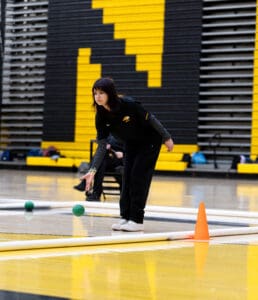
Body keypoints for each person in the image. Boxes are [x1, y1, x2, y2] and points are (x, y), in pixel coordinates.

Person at [80, 77, 174, 232]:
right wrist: (92, 171)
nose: (98, 96)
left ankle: (137, 220)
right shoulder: (100, 116)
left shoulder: (128, 104)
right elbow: (102, 146)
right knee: (127, 178)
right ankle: (125, 217)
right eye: (95, 93)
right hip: (131, 143)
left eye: (101, 93)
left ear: (110, 93)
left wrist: (167, 137)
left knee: (138, 178)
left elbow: (151, 119)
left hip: (149, 141)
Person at [74, 135, 124, 201]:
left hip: (124, 159)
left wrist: (124, 154)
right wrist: (107, 145)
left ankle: (94, 191)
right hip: (110, 156)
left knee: (101, 159)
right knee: (101, 155)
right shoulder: (110, 130)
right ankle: (95, 193)